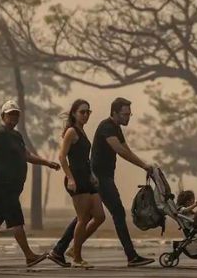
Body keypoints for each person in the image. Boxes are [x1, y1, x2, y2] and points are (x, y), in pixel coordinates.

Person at [49, 97, 155, 268]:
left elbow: (125, 147)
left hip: (93, 176)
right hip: (99, 176)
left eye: (129, 114)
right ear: (114, 113)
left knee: (92, 216)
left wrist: (145, 164)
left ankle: (63, 249)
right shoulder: (106, 127)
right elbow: (120, 150)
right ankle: (131, 256)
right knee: (116, 213)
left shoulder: (113, 129)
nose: (128, 117)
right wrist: (143, 165)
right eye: (125, 114)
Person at [0, 100, 60, 267]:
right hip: (1, 185)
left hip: (13, 186)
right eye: (10, 114)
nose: (13, 117)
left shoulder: (17, 136)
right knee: (16, 219)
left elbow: (27, 156)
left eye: (16, 114)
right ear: (3, 116)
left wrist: (47, 163)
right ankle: (29, 255)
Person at [49, 99, 105, 269]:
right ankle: (77, 258)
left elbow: (84, 158)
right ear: (74, 113)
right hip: (76, 178)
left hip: (87, 177)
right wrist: (71, 178)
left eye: (88, 112)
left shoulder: (82, 131)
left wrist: (93, 175)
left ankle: (74, 249)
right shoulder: (71, 132)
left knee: (99, 216)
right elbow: (61, 157)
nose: (86, 115)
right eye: (82, 112)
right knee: (82, 219)